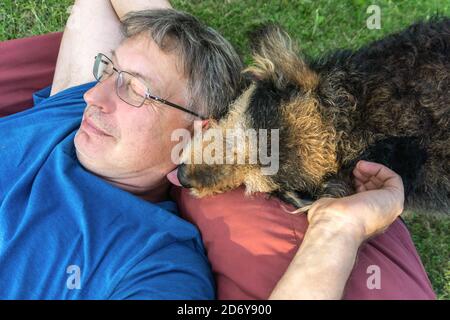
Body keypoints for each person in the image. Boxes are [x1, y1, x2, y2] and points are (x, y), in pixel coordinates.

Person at [0, 0, 430, 299]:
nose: (93, 98)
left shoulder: (152, 260)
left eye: (135, 89)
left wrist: (337, 230)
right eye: (108, 69)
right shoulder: (75, 112)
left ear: (198, 133)